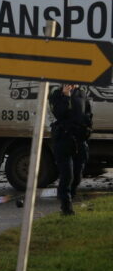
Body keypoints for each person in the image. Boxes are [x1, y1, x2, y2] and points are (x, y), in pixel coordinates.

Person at [48, 83, 92, 216]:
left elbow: (88, 112)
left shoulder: (81, 93)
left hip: (79, 140)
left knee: (77, 175)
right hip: (64, 139)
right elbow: (59, 113)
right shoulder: (56, 94)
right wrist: (66, 96)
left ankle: (70, 199)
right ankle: (66, 207)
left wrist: (88, 128)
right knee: (67, 175)